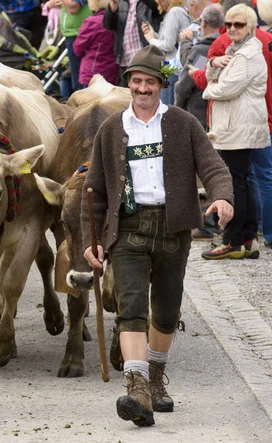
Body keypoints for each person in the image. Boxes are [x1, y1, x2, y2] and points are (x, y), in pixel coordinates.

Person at [81, 45, 233, 427]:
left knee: (165, 312)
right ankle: (136, 389)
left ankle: (154, 378)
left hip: (172, 229)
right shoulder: (113, 129)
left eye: (150, 82)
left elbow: (214, 167)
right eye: (136, 81)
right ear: (129, 84)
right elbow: (94, 191)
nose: (143, 88)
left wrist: (221, 197)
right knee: (131, 306)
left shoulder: (183, 124)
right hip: (129, 229)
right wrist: (92, 239)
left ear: (161, 85)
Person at [201, 3, 269, 259]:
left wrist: (208, 89)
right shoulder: (235, 50)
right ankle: (246, 239)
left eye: (238, 24)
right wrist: (214, 63)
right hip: (236, 126)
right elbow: (215, 78)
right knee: (242, 181)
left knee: (233, 184)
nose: (232, 29)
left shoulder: (248, 54)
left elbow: (226, 88)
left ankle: (233, 240)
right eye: (228, 24)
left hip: (237, 127)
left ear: (250, 27)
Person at [175, 3, 224, 127]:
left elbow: (185, 85)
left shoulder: (202, 50)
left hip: (199, 115)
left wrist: (177, 109)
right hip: (220, 115)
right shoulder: (227, 45)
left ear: (203, 23)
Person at [103, 0, 164, 86]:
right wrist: (113, 7)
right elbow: (108, 25)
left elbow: (158, 10)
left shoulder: (149, 3)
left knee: (144, 93)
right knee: (126, 96)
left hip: (145, 59)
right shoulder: (121, 2)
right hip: (125, 60)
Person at [141, 0, 191, 104]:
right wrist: (152, 34)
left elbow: (168, 45)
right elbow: (169, 41)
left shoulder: (174, 12)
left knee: (166, 109)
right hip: (172, 65)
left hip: (171, 66)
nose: (159, 2)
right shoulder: (177, 11)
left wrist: (151, 40)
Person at [73, 0, 118, 87]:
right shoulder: (118, 20)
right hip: (112, 72)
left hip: (92, 71)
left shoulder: (92, 21)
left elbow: (78, 49)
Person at [61, 0, 94, 93]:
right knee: (75, 77)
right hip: (75, 33)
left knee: (80, 81)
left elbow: (73, 6)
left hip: (80, 34)